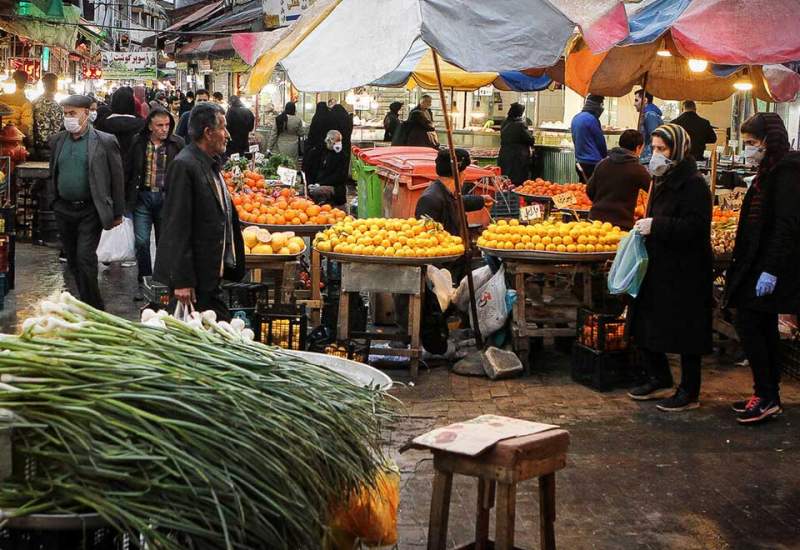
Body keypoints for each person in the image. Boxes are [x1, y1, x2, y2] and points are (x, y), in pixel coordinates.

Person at [628, 123, 712, 411]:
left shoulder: (694, 184)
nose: (656, 154)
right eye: (653, 148)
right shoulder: (660, 179)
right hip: (659, 263)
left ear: (677, 149)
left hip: (686, 269)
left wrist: (657, 225)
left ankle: (689, 391)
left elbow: (697, 227)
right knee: (646, 320)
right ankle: (658, 377)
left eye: (662, 149)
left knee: (687, 331)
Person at [724, 113, 800, 424]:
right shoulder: (768, 172)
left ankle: (767, 395)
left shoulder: (787, 172)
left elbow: (786, 224)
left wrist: (771, 269)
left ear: (770, 142)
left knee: (753, 324)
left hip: (772, 265)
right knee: (758, 325)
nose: (748, 150)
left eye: (753, 144)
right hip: (756, 261)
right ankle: (766, 393)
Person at [154, 102, 245, 321]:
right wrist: (183, 280)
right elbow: (176, 226)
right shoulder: (185, 165)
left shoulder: (209, 163)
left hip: (208, 273)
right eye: (223, 128)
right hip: (194, 279)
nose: (227, 135)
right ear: (208, 132)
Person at [48, 95, 125, 310]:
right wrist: (53, 200)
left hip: (90, 210)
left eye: (72, 113)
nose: (68, 118)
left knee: (84, 257)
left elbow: (117, 177)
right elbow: (53, 172)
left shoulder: (105, 141)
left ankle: (94, 308)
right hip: (63, 209)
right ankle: (85, 300)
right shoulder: (57, 141)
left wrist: (118, 211)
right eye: (65, 113)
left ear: (86, 113)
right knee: (72, 259)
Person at [126, 107, 185, 294]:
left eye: (167, 125)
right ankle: (144, 280)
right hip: (142, 197)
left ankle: (162, 281)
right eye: (160, 125)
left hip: (166, 198)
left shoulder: (177, 144)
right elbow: (127, 171)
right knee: (142, 241)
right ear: (150, 126)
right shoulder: (138, 142)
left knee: (164, 242)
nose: (164, 129)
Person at [416, 148, 494, 238]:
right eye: (464, 171)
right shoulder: (430, 200)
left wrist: (481, 200)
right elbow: (425, 237)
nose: (465, 174)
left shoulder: (446, 192)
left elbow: (457, 202)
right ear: (458, 174)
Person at [586, 129, 650, 231]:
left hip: (595, 222)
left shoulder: (602, 164)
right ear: (638, 148)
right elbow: (652, 193)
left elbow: (589, 191)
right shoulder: (638, 170)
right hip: (621, 225)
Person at [95, 87, 146, 178]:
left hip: (106, 173)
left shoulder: (102, 125)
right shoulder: (142, 126)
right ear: (132, 104)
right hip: (133, 174)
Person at [570, 95, 607, 182]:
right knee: (593, 191)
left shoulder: (576, 118)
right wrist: (605, 157)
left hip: (579, 161)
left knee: (582, 189)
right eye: (602, 105)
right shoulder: (592, 119)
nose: (602, 108)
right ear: (597, 105)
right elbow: (600, 142)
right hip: (593, 163)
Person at [498, 102, 535, 185]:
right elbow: (530, 139)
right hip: (518, 157)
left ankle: (506, 194)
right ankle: (516, 196)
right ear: (520, 113)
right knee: (517, 180)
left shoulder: (504, 122)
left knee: (505, 178)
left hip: (504, 154)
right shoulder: (520, 125)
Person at [308, 130, 348, 206]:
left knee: (317, 191)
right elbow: (313, 170)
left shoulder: (342, 155)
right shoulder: (321, 152)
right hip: (320, 183)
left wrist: (319, 184)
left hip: (335, 187)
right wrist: (311, 183)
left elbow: (339, 176)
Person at [31, 73, 63, 161]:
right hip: (49, 149)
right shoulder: (56, 105)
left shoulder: (35, 102)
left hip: (38, 148)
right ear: (56, 86)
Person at [1, 70, 33, 138]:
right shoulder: (25, 102)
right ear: (25, 84)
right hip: (13, 140)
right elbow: (25, 128)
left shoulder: (1, 97)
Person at [635, 89, 663, 164]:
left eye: (636, 100)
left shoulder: (650, 115)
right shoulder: (647, 114)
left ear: (645, 100)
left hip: (649, 158)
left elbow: (654, 138)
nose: (634, 104)